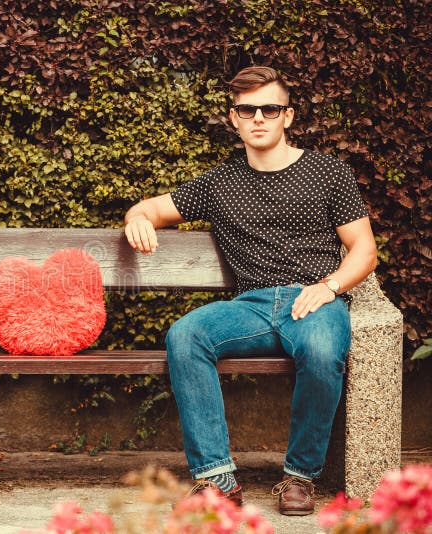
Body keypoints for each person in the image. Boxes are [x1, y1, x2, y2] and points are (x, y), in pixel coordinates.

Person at [123, 66, 376, 516]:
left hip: (313, 298)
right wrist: (137, 218)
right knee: (187, 334)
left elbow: (364, 249)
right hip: (251, 306)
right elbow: (151, 208)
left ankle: (299, 478)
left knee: (321, 351)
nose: (258, 117)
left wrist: (329, 286)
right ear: (234, 118)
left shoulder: (328, 172)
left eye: (269, 108)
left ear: (288, 116)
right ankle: (217, 478)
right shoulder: (219, 183)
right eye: (247, 109)